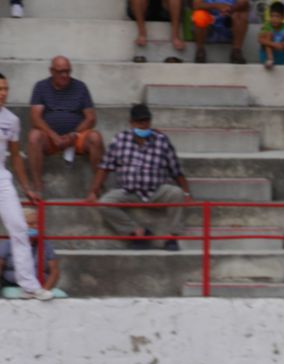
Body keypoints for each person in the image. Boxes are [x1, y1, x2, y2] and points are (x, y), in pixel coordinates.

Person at [85, 103, 192, 251]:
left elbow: (176, 170)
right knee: (104, 203)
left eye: (146, 121)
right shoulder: (120, 140)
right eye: (140, 121)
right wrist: (93, 191)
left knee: (177, 194)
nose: (143, 125)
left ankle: (171, 237)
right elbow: (105, 167)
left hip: (156, 190)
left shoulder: (161, 141)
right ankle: (137, 231)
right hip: (129, 191)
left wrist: (186, 192)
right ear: (132, 123)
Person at [0, 73, 52, 300]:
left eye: (6, 88)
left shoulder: (11, 120)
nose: (3, 93)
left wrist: (27, 187)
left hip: (2, 177)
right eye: (0, 88)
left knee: (19, 227)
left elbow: (15, 157)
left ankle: (29, 286)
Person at [27, 56, 104, 198]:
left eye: (68, 71)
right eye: (60, 72)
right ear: (51, 71)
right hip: (50, 138)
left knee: (95, 137)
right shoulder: (41, 87)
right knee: (33, 136)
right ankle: (37, 188)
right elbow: (35, 118)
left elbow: (91, 118)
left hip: (76, 137)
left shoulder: (80, 87)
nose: (65, 75)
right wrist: (53, 136)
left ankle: (96, 188)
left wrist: (73, 134)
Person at [0, 207, 65, 298]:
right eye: (30, 224)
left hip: (41, 287)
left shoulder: (46, 245)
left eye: (37, 224)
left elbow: (54, 272)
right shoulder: (8, 245)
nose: (35, 227)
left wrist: (44, 291)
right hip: (14, 285)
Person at [192, 0, 250, 64]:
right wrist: (217, 6)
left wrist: (230, 9)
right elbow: (196, 5)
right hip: (209, 24)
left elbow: (244, 3)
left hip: (229, 21)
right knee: (199, 16)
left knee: (241, 14)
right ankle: (200, 52)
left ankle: (236, 52)